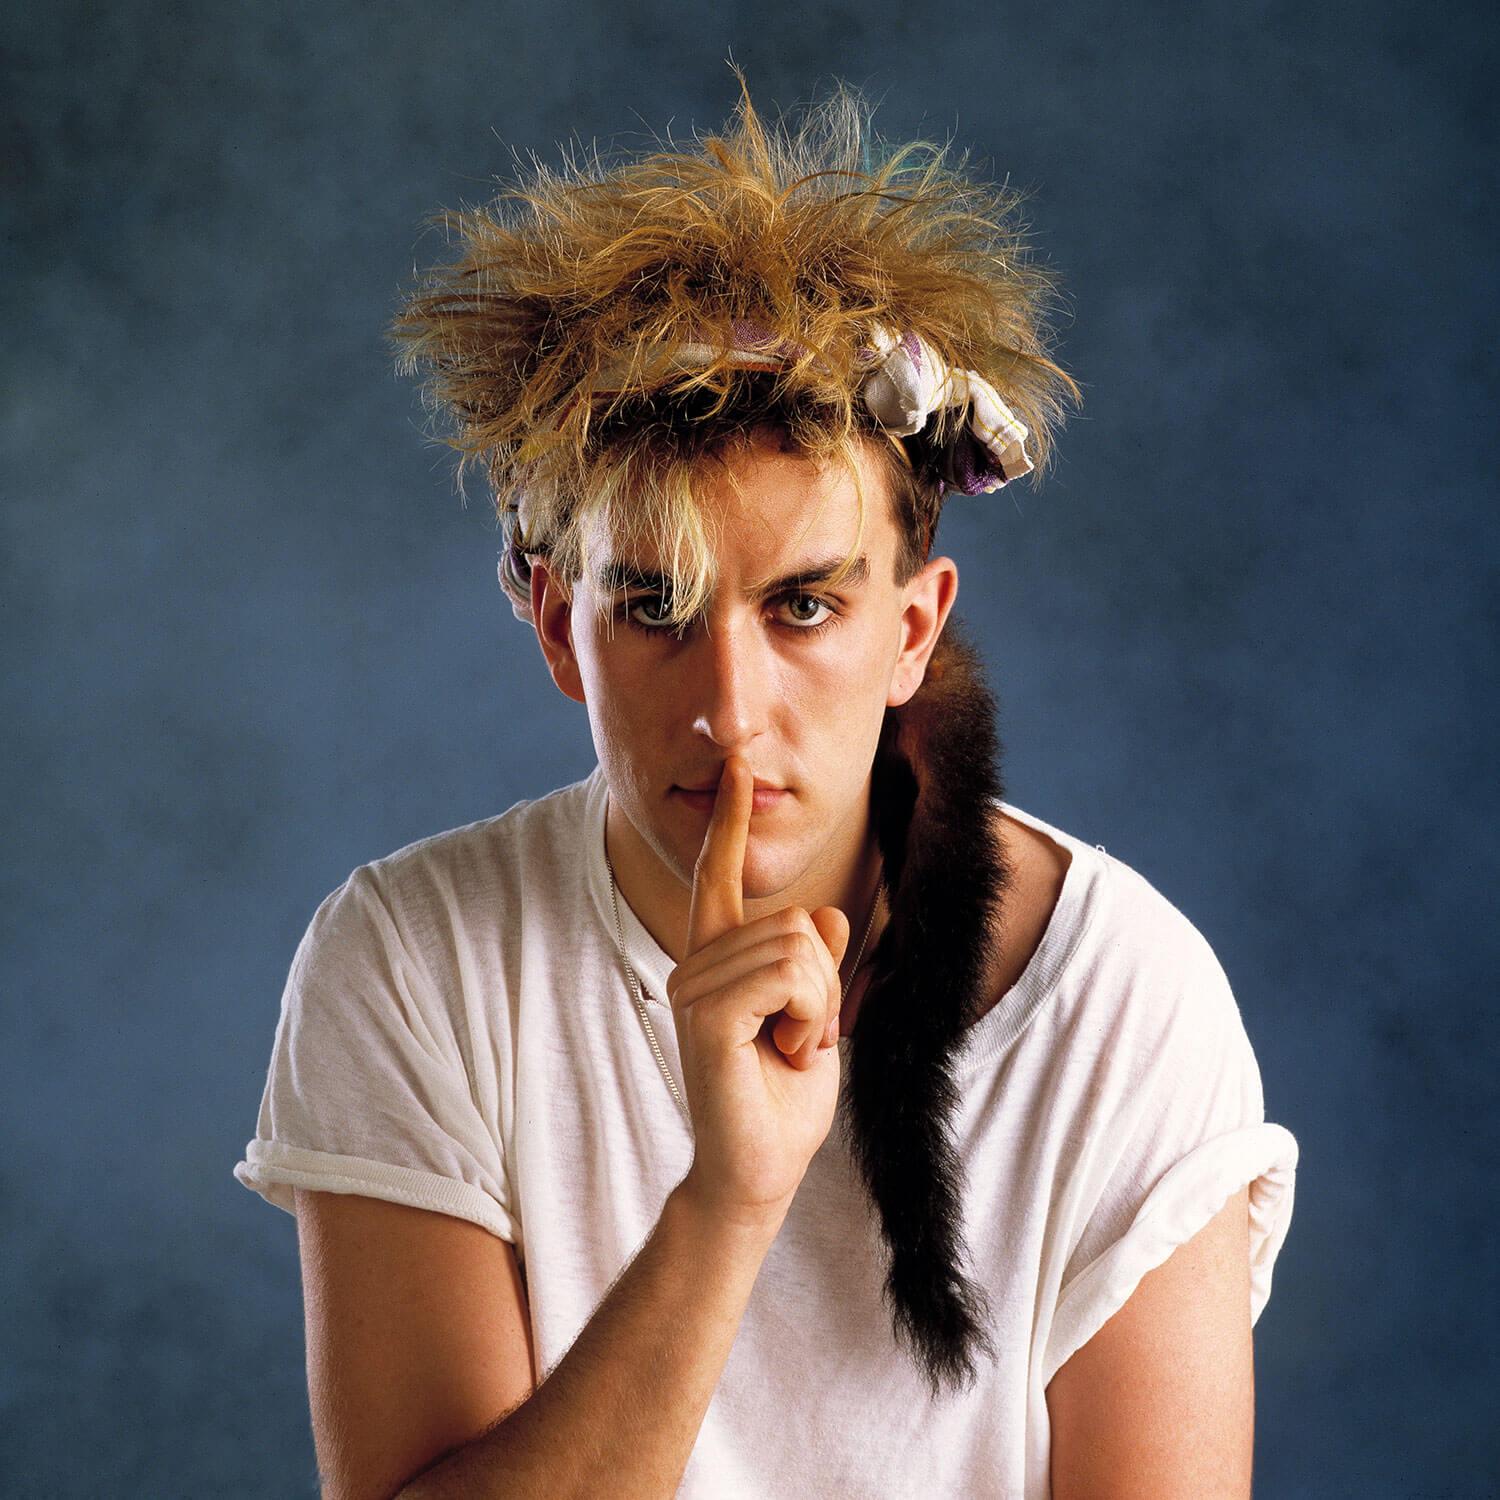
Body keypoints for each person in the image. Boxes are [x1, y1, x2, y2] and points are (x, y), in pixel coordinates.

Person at [233, 73, 1299, 1499]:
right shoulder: (415, 963)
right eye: (655, 608)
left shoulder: (1124, 1003)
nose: (730, 712)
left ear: (911, 631)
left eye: (803, 607)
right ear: (556, 625)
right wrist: (728, 1201)